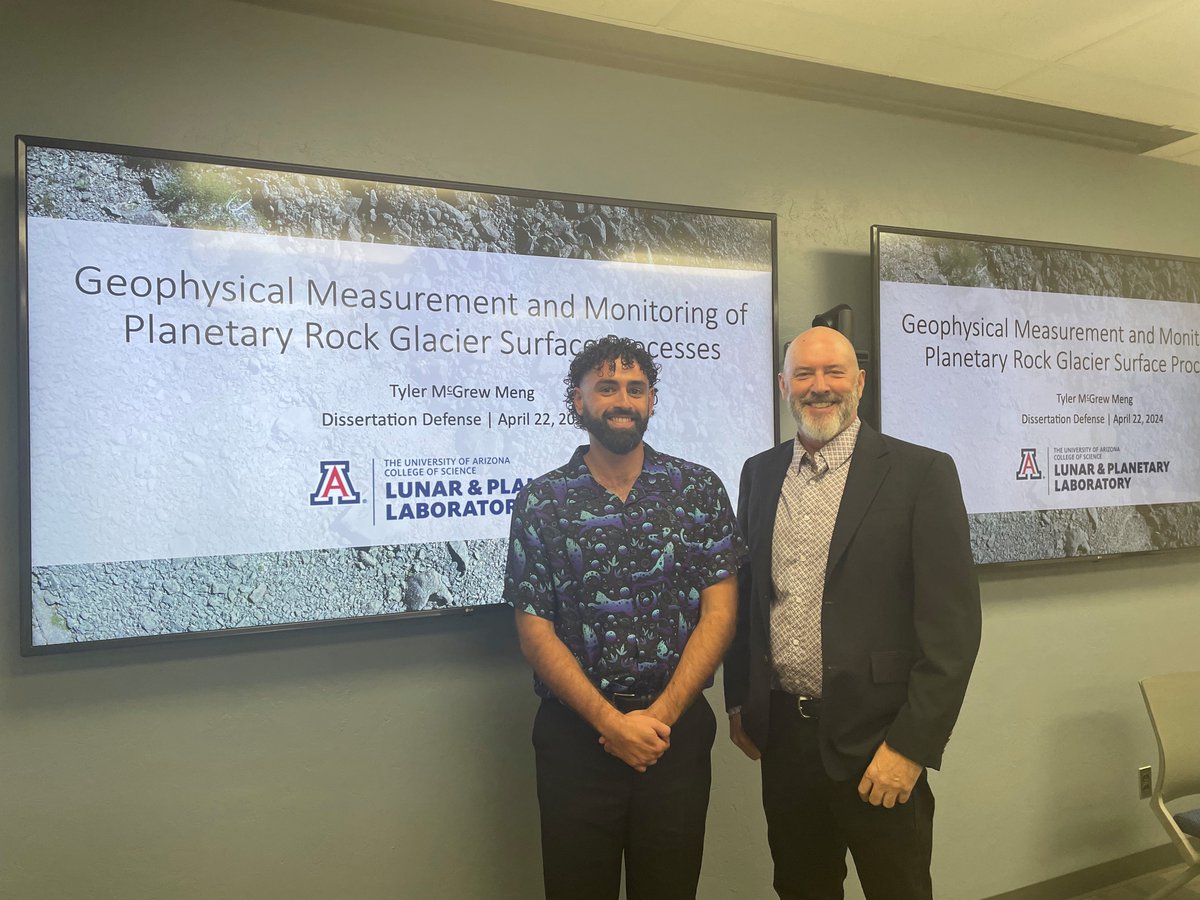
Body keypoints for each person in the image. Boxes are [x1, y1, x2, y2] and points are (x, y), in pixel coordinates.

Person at [724, 326, 981, 900]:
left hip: (880, 742)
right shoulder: (759, 474)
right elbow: (748, 599)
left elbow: (953, 631)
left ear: (859, 382)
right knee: (801, 886)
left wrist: (912, 747)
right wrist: (741, 699)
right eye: (806, 375)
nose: (821, 387)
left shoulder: (922, 474)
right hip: (786, 740)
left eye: (834, 373)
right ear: (784, 385)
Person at [505, 335, 743, 900]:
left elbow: (720, 614)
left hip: (674, 739)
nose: (623, 400)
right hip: (577, 743)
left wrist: (656, 720)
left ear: (652, 401)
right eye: (606, 387)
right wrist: (613, 725)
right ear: (578, 400)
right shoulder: (543, 502)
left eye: (636, 389)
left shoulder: (698, 489)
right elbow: (535, 633)